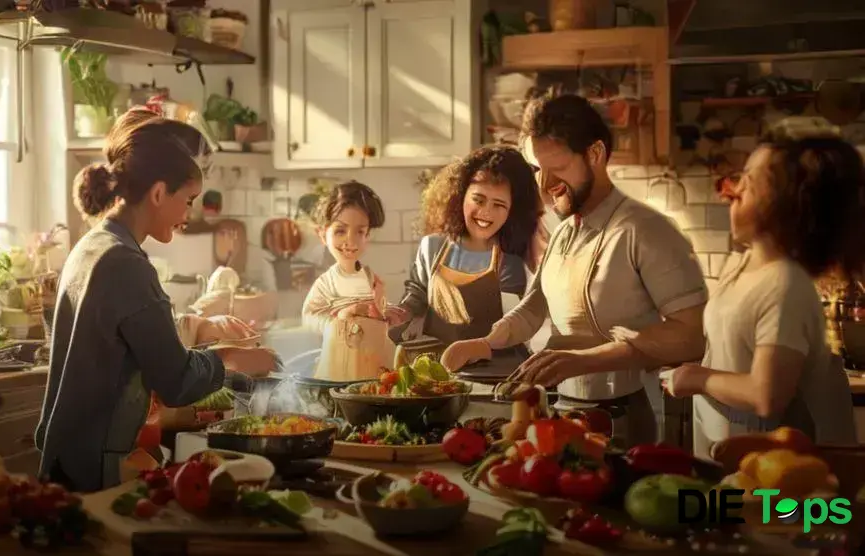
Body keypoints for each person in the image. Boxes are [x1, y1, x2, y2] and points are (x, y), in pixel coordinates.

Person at [441, 94, 708, 446]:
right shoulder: (566, 230)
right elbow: (536, 306)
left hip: (621, 418)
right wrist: (486, 343)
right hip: (562, 414)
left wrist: (583, 361)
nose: (545, 184)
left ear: (595, 154)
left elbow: (690, 336)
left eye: (558, 167)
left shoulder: (644, 230)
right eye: (538, 169)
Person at [34, 110, 275, 493]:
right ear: (159, 192)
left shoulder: (93, 245)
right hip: (95, 467)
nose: (188, 214)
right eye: (189, 199)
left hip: (69, 458)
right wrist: (231, 356)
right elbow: (176, 379)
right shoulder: (126, 264)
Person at [664, 126, 862, 458]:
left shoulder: (785, 283)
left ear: (784, 204)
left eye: (748, 183)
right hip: (737, 463)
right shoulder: (738, 267)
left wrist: (696, 378)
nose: (732, 190)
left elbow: (767, 395)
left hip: (790, 481)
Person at [389, 145, 548, 344]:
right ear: (460, 195)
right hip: (436, 366)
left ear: (511, 212)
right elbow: (416, 296)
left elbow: (510, 326)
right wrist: (399, 314)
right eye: (478, 200)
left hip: (491, 368)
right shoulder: (432, 247)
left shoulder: (509, 262)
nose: (486, 212)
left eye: (498, 205)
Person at [302, 180, 389, 333]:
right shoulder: (326, 284)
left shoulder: (370, 278)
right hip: (338, 353)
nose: (350, 240)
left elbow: (378, 315)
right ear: (322, 234)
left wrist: (386, 313)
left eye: (360, 232)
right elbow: (309, 318)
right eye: (340, 231)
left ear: (367, 235)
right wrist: (340, 319)